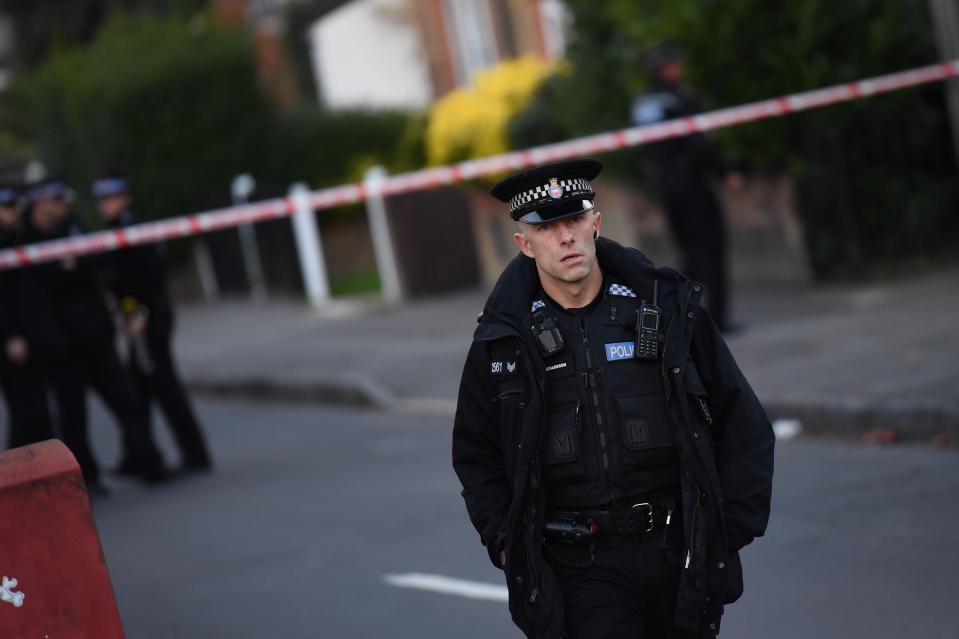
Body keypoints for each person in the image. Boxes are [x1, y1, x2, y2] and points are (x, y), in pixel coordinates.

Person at [451, 158, 773, 639]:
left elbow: (739, 418)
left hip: (675, 550)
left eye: (576, 219)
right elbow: (477, 454)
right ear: (525, 244)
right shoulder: (503, 341)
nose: (566, 237)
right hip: (578, 569)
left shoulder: (664, 313)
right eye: (548, 226)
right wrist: (506, 543)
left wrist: (728, 530)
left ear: (595, 223)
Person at [22, 177, 169, 492]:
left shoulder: (74, 226)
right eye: (57, 200)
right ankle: (85, 480)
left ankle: (148, 461)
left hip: (97, 337)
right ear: (40, 203)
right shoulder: (26, 238)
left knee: (128, 402)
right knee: (73, 418)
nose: (64, 206)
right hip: (62, 346)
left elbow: (101, 269)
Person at [92, 173, 212, 473]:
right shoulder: (115, 230)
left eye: (113, 197)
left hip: (146, 318)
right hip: (137, 316)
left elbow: (143, 278)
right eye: (103, 199)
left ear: (126, 198)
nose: (107, 204)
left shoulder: (134, 230)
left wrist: (136, 311)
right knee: (137, 388)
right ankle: (139, 453)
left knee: (163, 385)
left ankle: (194, 453)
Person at [631, 42, 743, 333]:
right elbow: (700, 143)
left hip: (667, 188)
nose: (679, 69)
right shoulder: (679, 98)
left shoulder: (645, 102)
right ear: (663, 68)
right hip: (692, 185)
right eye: (674, 64)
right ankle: (714, 318)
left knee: (691, 255)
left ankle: (669, 308)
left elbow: (646, 150)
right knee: (711, 250)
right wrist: (723, 171)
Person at [0, 183, 55, 448]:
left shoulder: (20, 237)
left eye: (15, 207)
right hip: (13, 344)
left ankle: (47, 482)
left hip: (33, 339)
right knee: (24, 416)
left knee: (39, 414)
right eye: (7, 208)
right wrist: (9, 335)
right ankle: (15, 483)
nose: (13, 213)